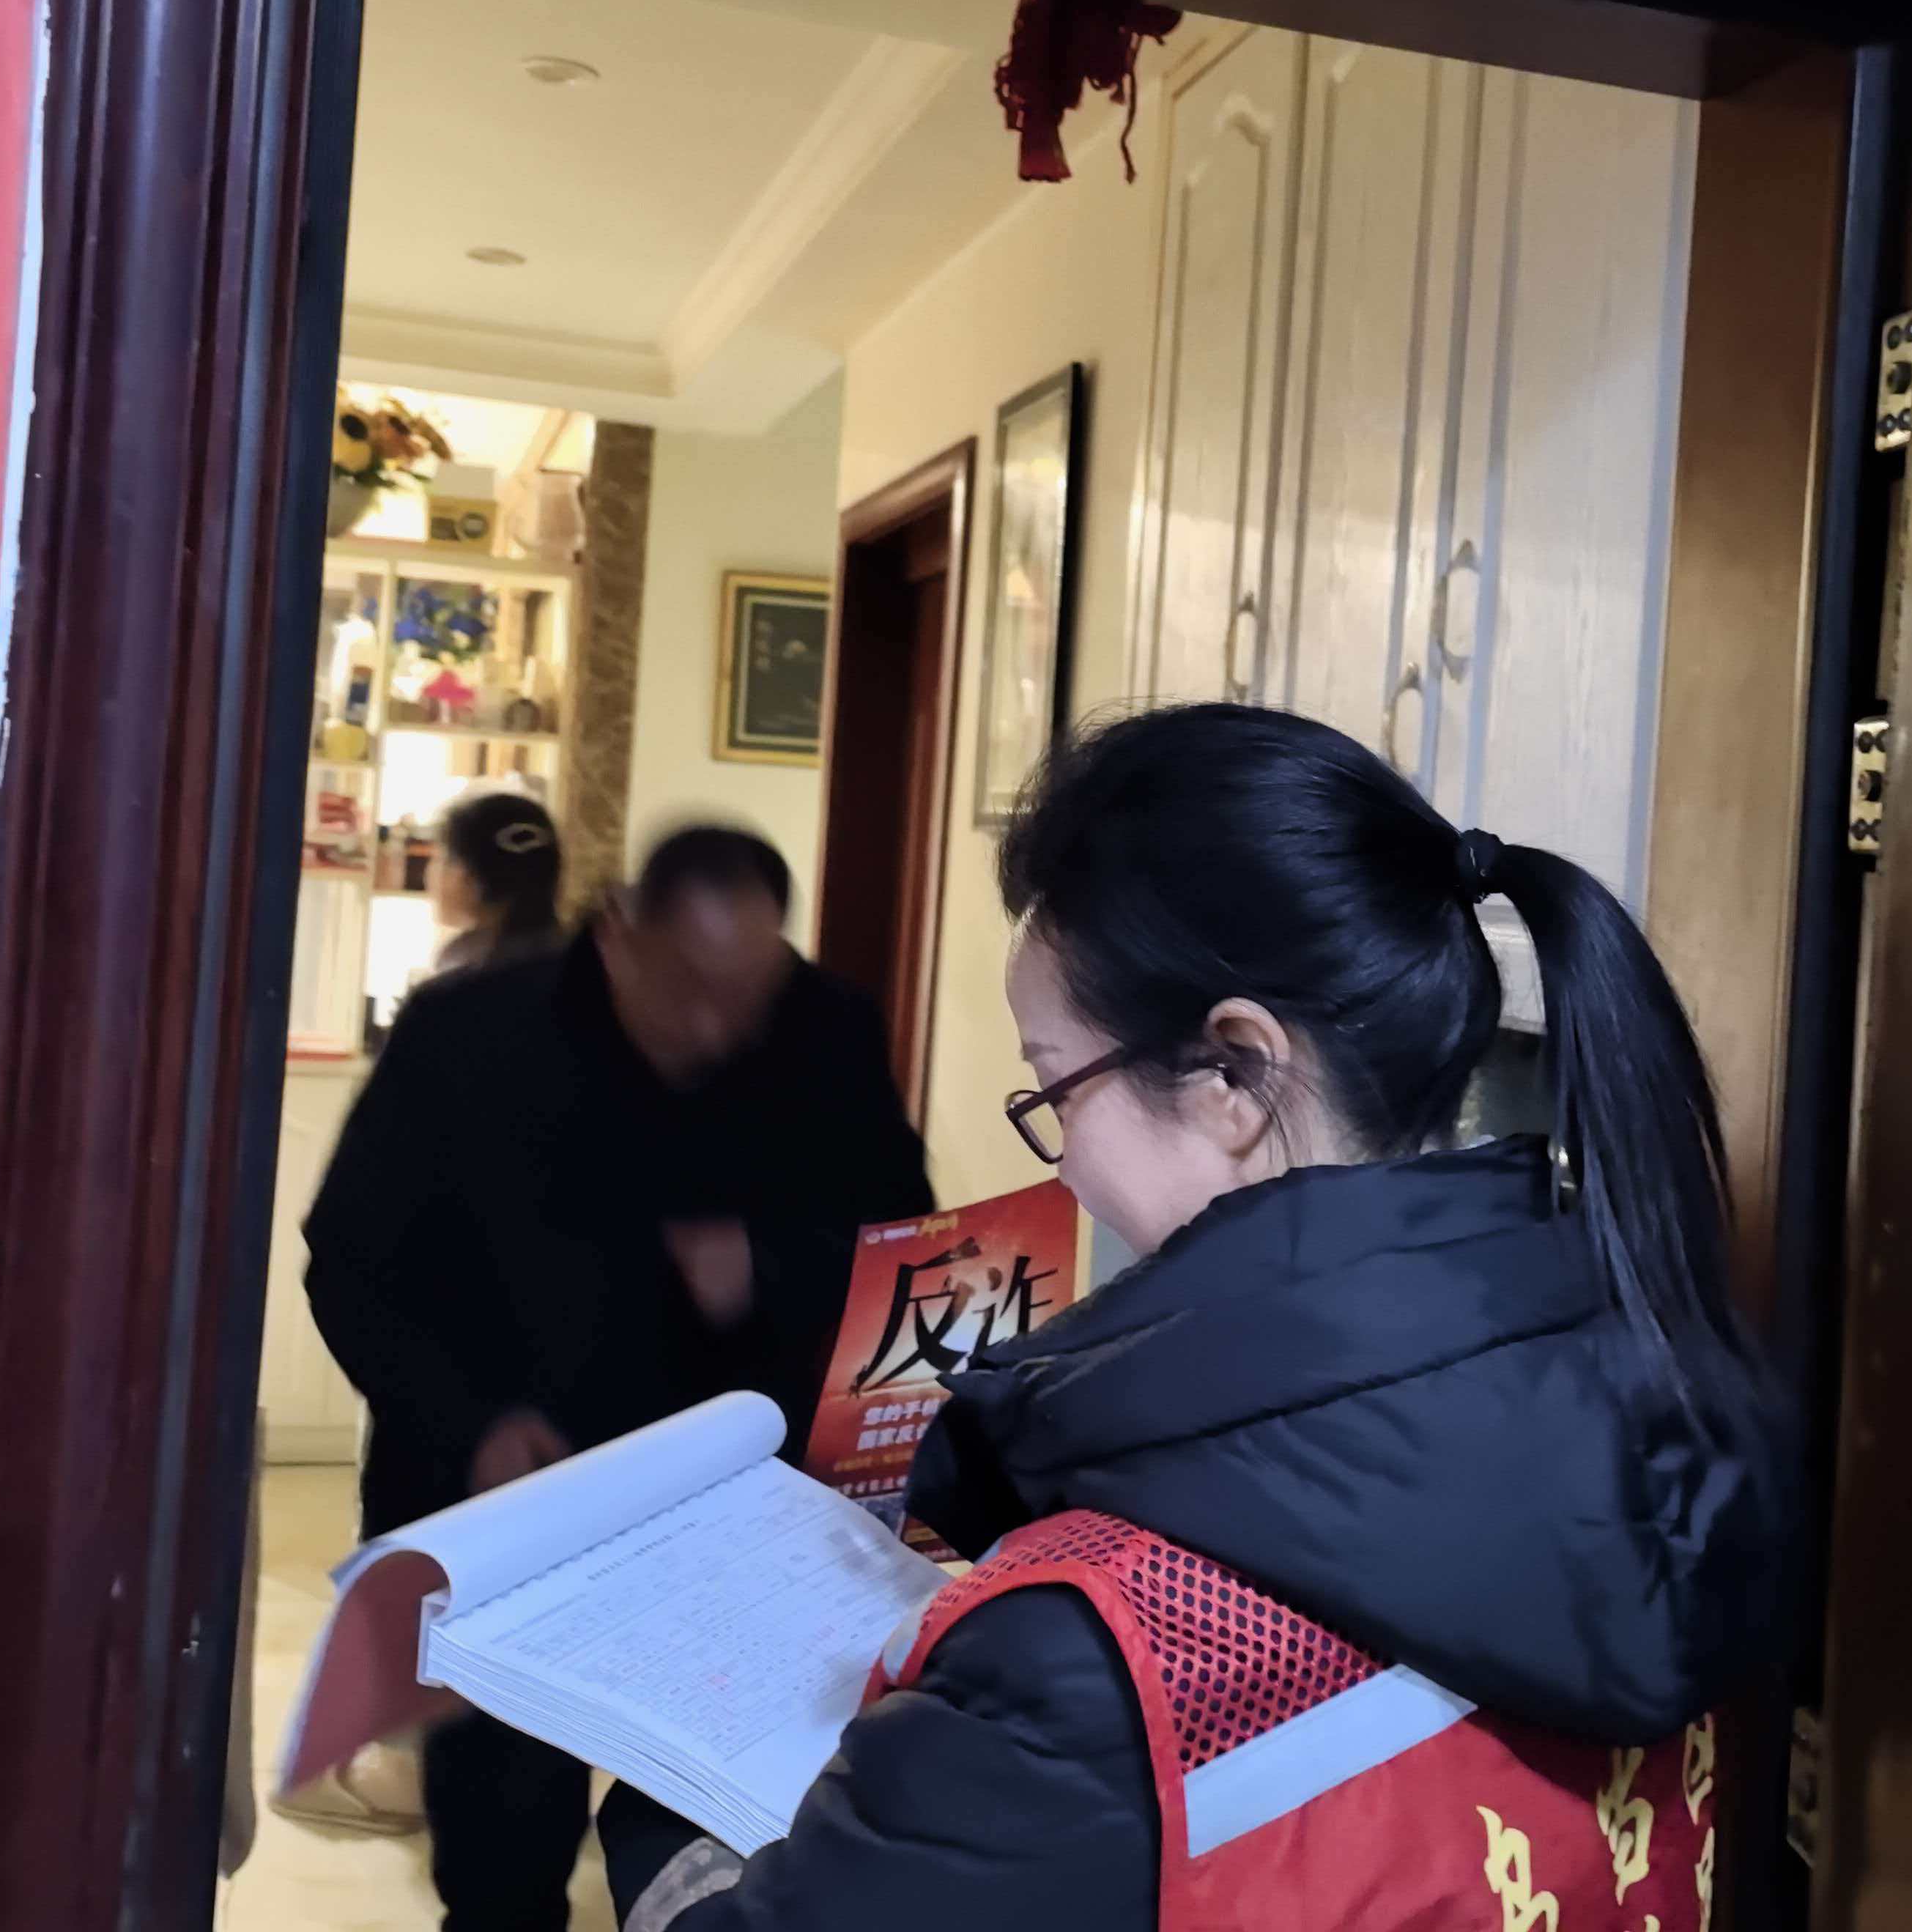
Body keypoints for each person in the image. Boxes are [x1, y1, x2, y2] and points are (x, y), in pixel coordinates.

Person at [600, 703, 1797, 1932]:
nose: (1063, 1162)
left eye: (1056, 1089)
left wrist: (661, 1796)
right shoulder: (1649, 1408)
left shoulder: (1094, 1651)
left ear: (1234, 1074)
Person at [304, 823, 933, 1932]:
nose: (714, 1029)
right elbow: (350, 1264)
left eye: (744, 998)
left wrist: (766, 1266)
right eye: (687, 992)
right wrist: (469, 1423)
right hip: (504, 1506)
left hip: (734, 1516)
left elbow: (901, 1252)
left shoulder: (825, 1029)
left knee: (728, 1825)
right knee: (500, 1849)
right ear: (618, 937)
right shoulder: (468, 1032)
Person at [429, 788, 563, 977]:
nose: (431, 873)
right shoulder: (580, 961)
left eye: (440, 858)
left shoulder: (461, 980)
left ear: (467, 877)